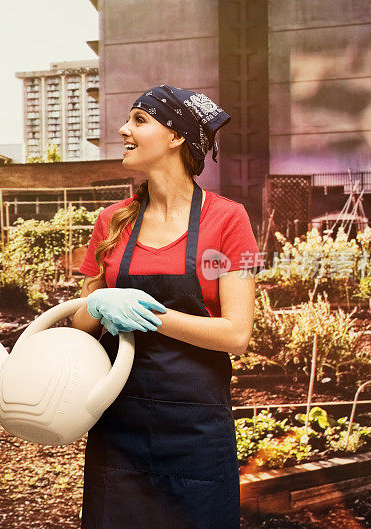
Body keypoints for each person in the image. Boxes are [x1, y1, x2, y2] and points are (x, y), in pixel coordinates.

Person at [71, 85, 261, 529]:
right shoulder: (110, 220)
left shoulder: (230, 219)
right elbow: (80, 325)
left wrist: (150, 315)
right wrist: (98, 303)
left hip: (196, 430)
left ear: (176, 136)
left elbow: (237, 335)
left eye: (139, 120)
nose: (123, 129)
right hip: (119, 423)